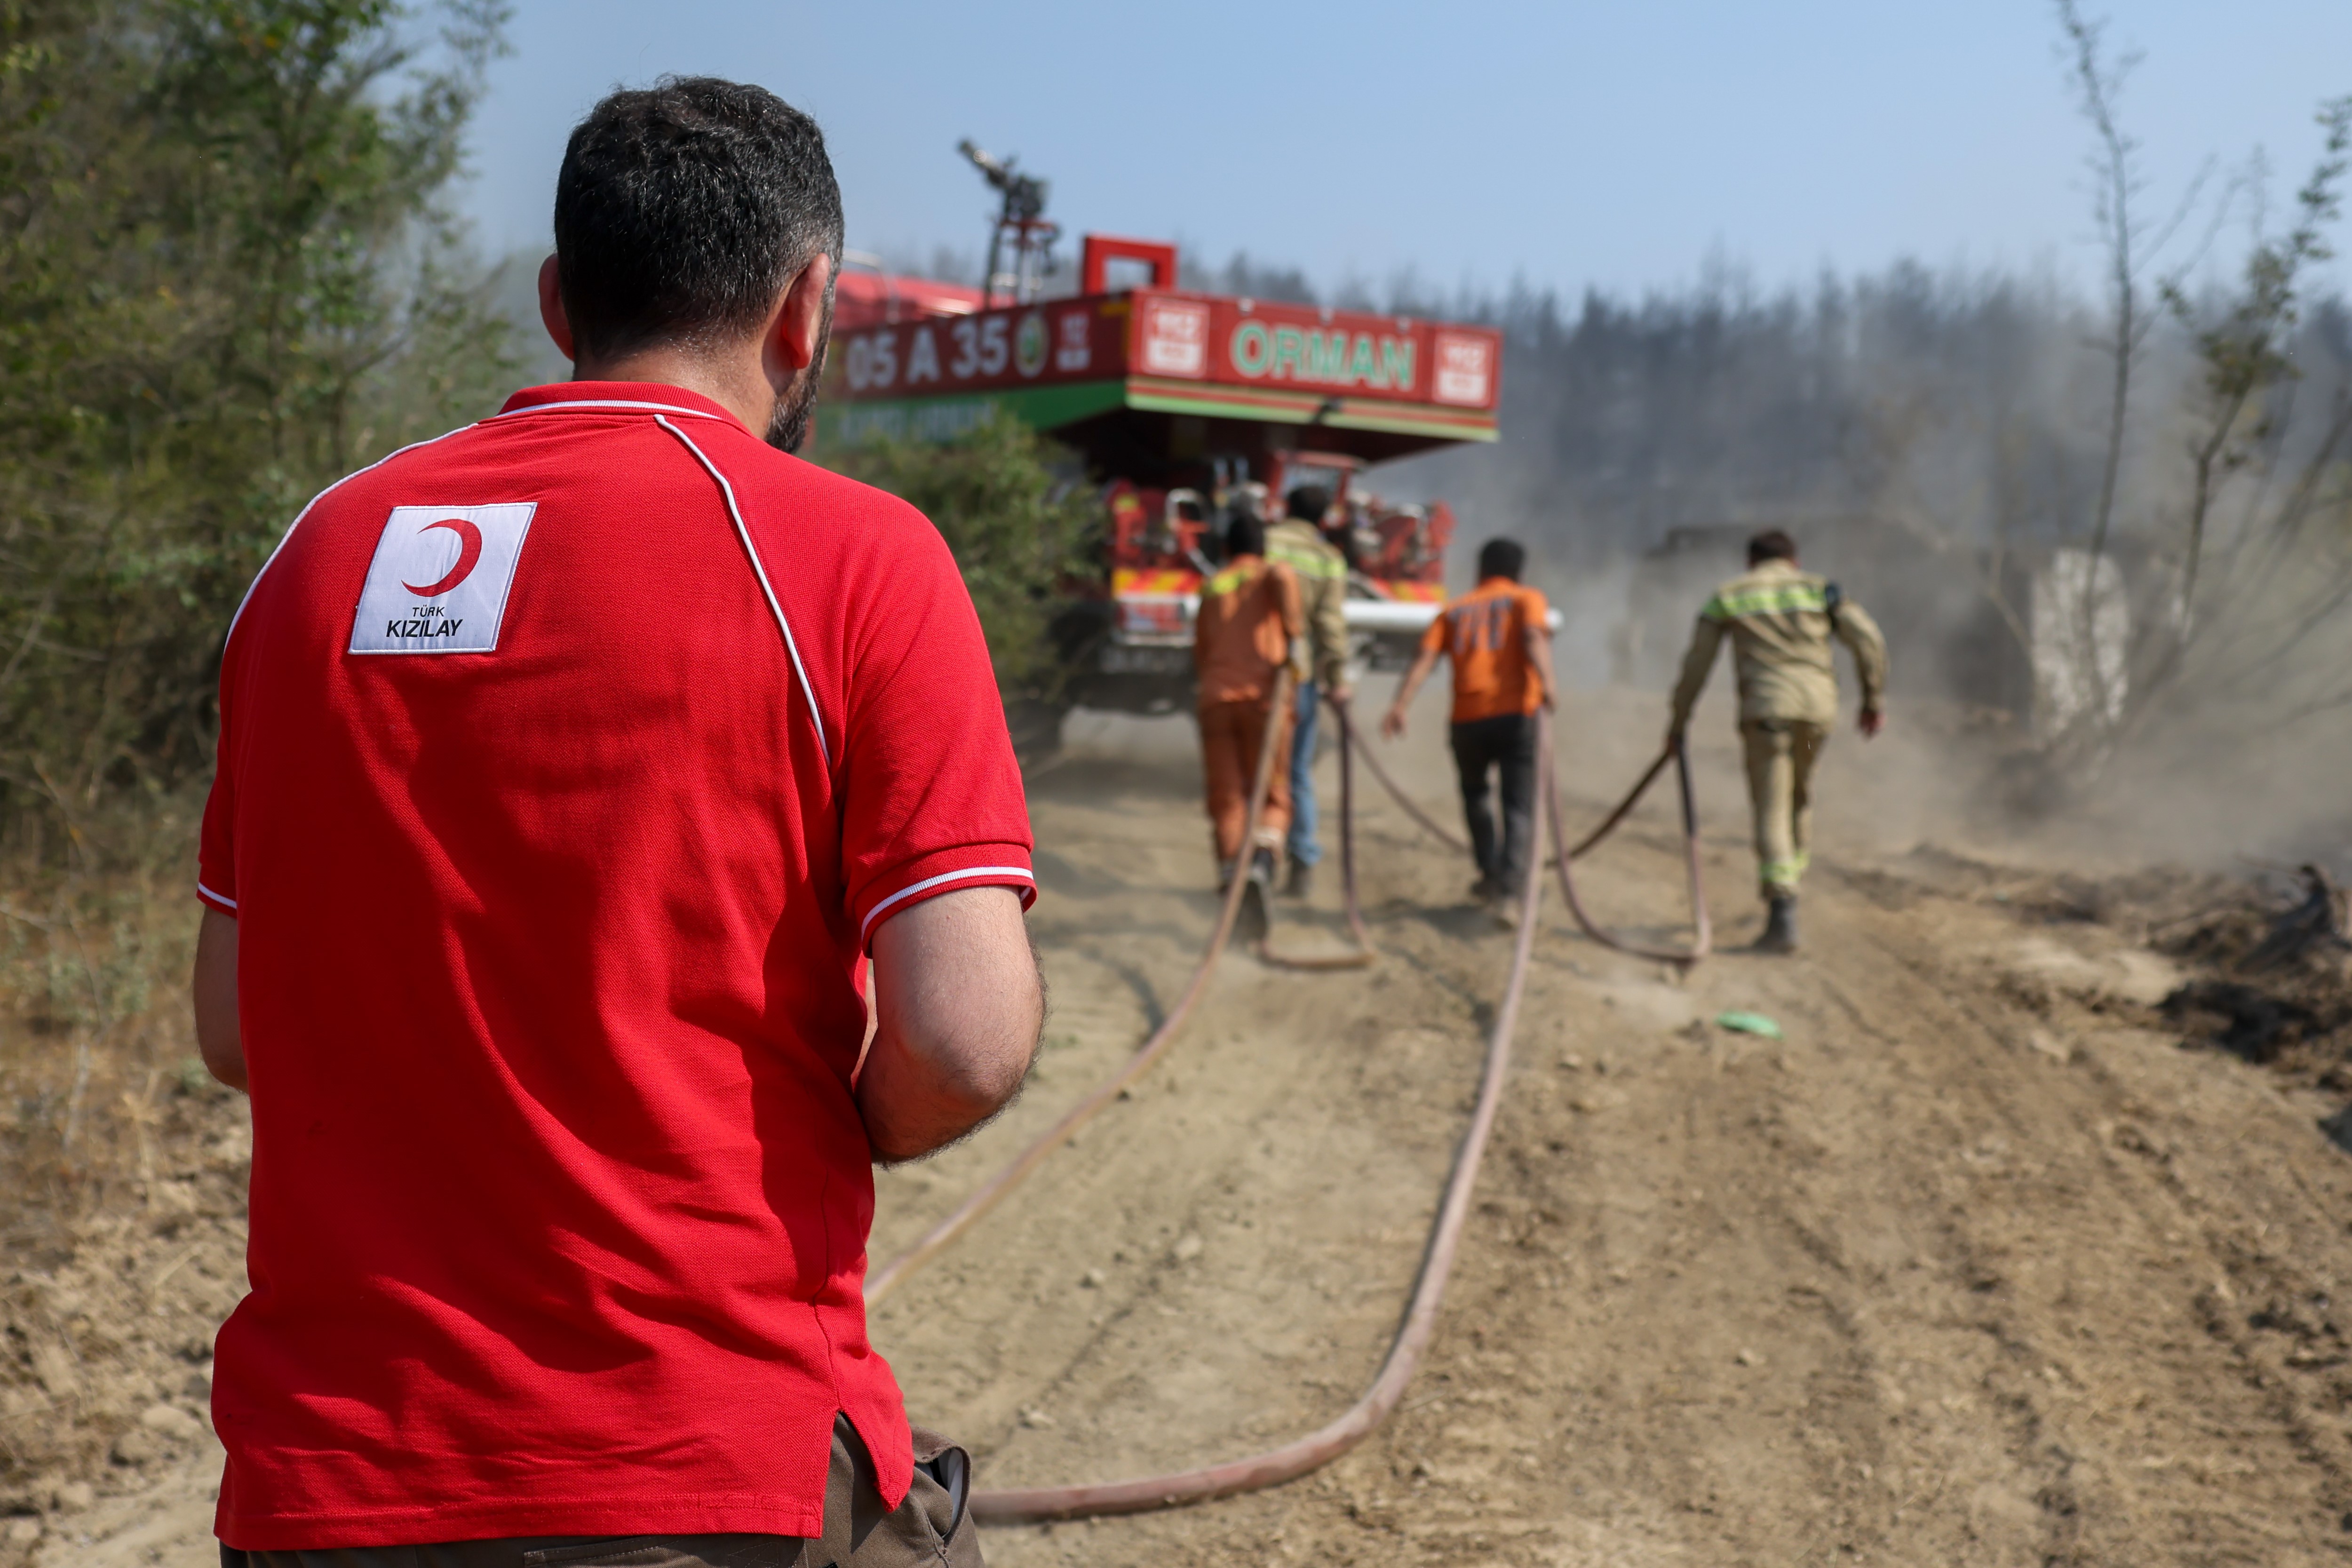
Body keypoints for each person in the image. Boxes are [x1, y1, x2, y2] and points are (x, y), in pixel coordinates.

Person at [191, 78, 1041, 1568]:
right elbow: (965, 1039)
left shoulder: (321, 554)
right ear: (805, 305)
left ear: (555, 300)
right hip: (703, 1471)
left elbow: (235, 1024)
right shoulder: (851, 555)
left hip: (328, 1485)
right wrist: (858, 1118)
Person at [1667, 527, 1888, 954]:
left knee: (1772, 803)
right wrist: (1872, 700)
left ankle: (1782, 908)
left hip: (1768, 717)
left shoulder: (1730, 595)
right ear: (1794, 561)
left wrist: (1679, 722)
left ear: (1750, 563)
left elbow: (1697, 662)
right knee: (1799, 796)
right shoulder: (1820, 590)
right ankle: (1793, 885)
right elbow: (1869, 640)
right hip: (1815, 719)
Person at [1381, 538, 1556, 925]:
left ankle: (1490, 875)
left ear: (1480, 570)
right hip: (1516, 716)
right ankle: (1511, 891)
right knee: (1518, 804)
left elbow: (1424, 659)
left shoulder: (1454, 610)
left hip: (1466, 720)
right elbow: (1533, 638)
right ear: (1519, 572)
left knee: (1475, 795)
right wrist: (1548, 683)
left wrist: (1400, 705)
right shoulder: (1527, 599)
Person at [1193, 509, 1303, 927]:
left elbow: (1201, 652)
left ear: (1225, 549)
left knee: (1228, 795)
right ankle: (1260, 863)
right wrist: (1294, 637)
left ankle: (1230, 875)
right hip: (1264, 702)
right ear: (1263, 548)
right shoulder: (1274, 573)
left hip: (1217, 699)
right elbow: (1284, 584)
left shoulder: (1213, 584)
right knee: (1272, 791)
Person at [1264, 485, 1351, 899]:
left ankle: (1256, 863)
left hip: (1255, 675)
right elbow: (1331, 627)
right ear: (1324, 519)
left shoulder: (1262, 543)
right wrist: (1338, 680)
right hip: (1298, 677)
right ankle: (1302, 862)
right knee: (1296, 771)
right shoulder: (1328, 560)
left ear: (1285, 509)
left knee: (1256, 770)